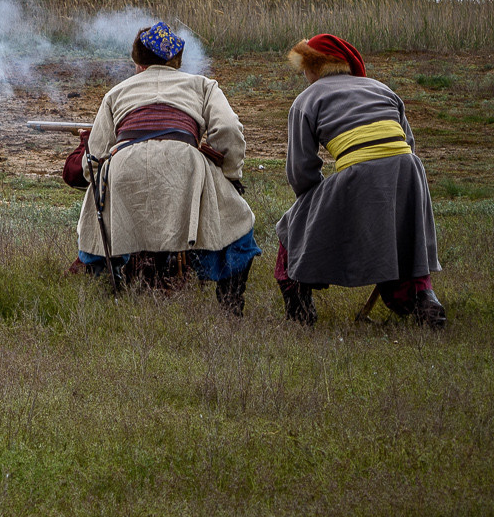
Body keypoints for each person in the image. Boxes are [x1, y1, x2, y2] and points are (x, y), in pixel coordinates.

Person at [65, 20, 258, 312]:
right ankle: (230, 307)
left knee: (94, 229)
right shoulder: (203, 85)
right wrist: (229, 175)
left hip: (124, 164)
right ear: (176, 61)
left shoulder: (116, 93)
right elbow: (229, 130)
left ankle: (110, 287)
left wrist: (95, 171)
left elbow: (94, 158)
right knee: (239, 228)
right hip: (186, 164)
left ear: (138, 61)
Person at [274, 34, 443, 327]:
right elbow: (409, 144)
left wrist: (318, 206)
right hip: (410, 171)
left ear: (315, 66)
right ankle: (424, 300)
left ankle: (300, 309)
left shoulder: (306, 99)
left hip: (359, 171)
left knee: (291, 227)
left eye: (305, 67)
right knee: (401, 238)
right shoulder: (382, 89)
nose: (304, 74)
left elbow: (301, 172)